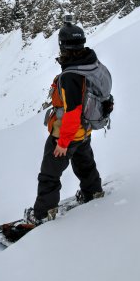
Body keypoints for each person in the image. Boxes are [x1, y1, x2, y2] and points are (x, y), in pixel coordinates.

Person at [26, 16, 105, 227]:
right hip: (84, 131)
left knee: (49, 175)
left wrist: (62, 143)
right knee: (85, 164)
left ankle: (43, 213)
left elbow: (72, 112)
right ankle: (93, 192)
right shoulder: (91, 63)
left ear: (63, 45)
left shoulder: (71, 76)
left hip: (67, 134)